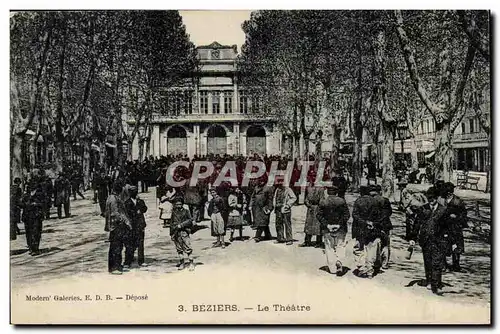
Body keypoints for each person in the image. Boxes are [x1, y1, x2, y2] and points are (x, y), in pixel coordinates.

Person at [408, 187, 450, 295]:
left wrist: (451, 241)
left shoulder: (443, 210)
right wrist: (413, 238)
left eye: (433, 198)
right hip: (425, 240)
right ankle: (430, 280)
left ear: (437, 198)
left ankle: (435, 284)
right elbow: (417, 223)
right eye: (429, 198)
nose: (431, 200)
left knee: (437, 262)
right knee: (428, 262)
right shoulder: (423, 209)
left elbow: (449, 226)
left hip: (439, 240)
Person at [317, 185, 351, 276]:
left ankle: (332, 268)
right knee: (340, 245)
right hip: (341, 228)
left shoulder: (323, 202)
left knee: (329, 247)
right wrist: (339, 224)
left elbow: (319, 215)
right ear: (336, 192)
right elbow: (347, 215)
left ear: (328, 192)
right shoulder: (341, 201)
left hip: (327, 229)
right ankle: (339, 260)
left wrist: (327, 225)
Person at [105, 182, 132, 275]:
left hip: (116, 225)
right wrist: (125, 221)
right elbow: (115, 213)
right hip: (116, 226)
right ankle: (114, 267)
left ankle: (117, 265)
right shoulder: (113, 199)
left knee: (118, 246)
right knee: (116, 247)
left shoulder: (113, 197)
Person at [351, 185, 377, 278]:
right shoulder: (375, 201)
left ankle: (361, 268)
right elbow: (378, 215)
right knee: (371, 249)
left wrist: (364, 222)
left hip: (360, 228)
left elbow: (355, 215)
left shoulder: (358, 201)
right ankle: (370, 269)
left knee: (359, 248)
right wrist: (371, 223)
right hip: (372, 229)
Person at [442, 182, 468, 272]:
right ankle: (443, 264)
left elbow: (464, 214)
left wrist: (457, 217)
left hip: (455, 227)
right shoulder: (442, 200)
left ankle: (456, 264)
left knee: (457, 245)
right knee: (444, 244)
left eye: (449, 192)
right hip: (445, 226)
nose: (448, 194)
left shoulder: (458, 201)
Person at [124, 186, 148, 268]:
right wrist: (136, 211)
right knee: (130, 244)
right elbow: (127, 213)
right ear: (130, 193)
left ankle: (141, 261)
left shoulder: (140, 201)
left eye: (135, 191)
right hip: (131, 226)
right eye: (132, 191)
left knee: (141, 244)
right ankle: (127, 261)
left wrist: (140, 207)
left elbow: (145, 209)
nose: (134, 193)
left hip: (140, 225)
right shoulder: (127, 203)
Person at [370, 185, 393, 269]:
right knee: (386, 244)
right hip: (386, 224)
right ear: (379, 191)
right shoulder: (385, 200)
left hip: (375, 224)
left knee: (375, 242)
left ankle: (376, 261)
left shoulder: (370, 200)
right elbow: (390, 212)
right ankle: (385, 263)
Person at [20, 178, 45, 255]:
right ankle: (31, 247)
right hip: (28, 216)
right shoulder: (26, 195)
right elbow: (21, 204)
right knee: (29, 232)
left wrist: (36, 204)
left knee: (36, 232)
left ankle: (35, 249)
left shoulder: (40, 194)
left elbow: (45, 203)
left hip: (36, 216)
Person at [170, 197, 195, 271]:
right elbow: (171, 223)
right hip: (176, 232)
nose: (178, 206)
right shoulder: (174, 212)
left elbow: (190, 220)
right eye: (177, 204)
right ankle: (182, 263)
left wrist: (182, 225)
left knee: (188, 247)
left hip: (184, 231)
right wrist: (171, 233)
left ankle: (191, 263)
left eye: (180, 204)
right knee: (179, 249)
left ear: (182, 204)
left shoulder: (186, 211)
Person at [272, 177, 297, 245]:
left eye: (281, 181)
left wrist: (288, 205)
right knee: (278, 224)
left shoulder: (288, 189)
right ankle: (280, 238)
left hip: (285, 210)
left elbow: (294, 198)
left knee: (287, 224)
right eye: (279, 181)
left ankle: (289, 239)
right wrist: (274, 204)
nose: (280, 183)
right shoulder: (277, 189)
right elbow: (274, 198)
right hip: (278, 209)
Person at [250, 177, 274, 242]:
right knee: (261, 221)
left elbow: (270, 199)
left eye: (262, 181)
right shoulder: (256, 188)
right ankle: (268, 235)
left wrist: (269, 208)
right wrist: (250, 205)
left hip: (264, 207)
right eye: (260, 181)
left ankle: (257, 236)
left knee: (262, 221)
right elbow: (253, 197)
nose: (261, 182)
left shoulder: (268, 188)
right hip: (256, 208)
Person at [300, 183, 324, 248]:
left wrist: (319, 207)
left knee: (318, 225)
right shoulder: (308, 188)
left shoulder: (321, 188)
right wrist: (308, 204)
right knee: (308, 224)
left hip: (317, 208)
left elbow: (322, 199)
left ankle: (319, 242)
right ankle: (307, 241)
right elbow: (306, 198)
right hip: (310, 208)